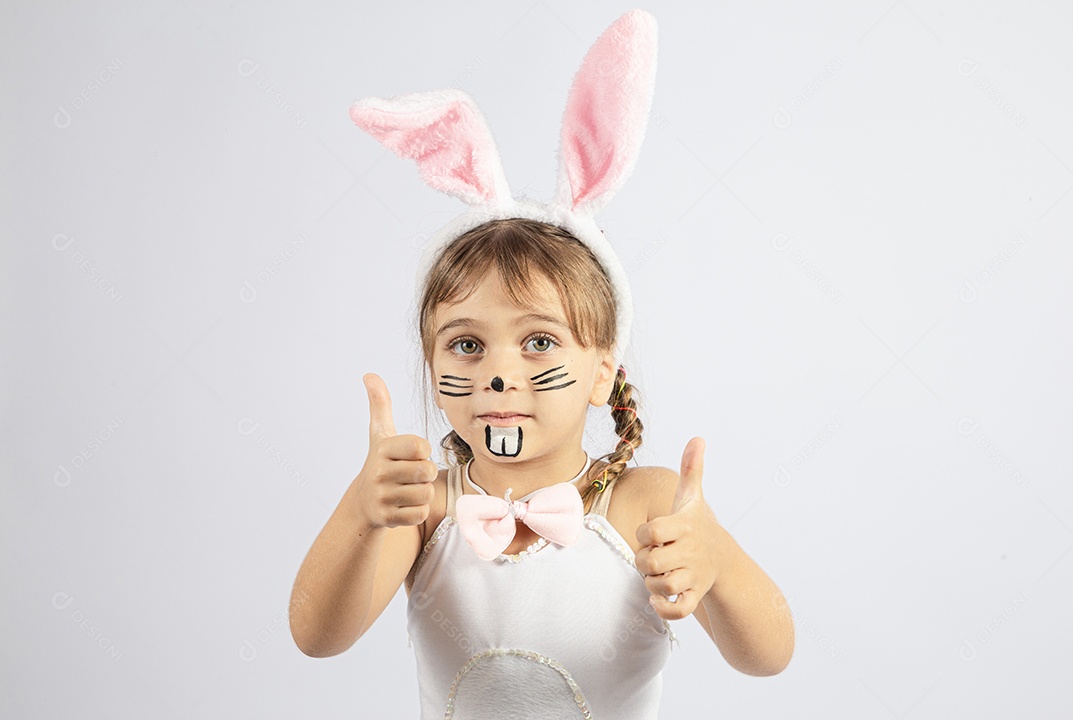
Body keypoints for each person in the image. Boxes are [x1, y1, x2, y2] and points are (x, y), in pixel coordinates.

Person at [289, 9, 794, 718]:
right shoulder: (429, 511)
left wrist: (718, 563)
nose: (501, 373)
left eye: (539, 343)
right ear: (433, 364)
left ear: (600, 371)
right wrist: (360, 513)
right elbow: (317, 636)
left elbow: (769, 655)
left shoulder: (641, 504)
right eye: (468, 344)